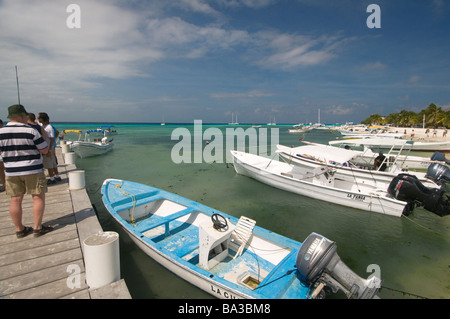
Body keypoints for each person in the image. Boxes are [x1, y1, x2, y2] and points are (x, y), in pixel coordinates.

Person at [0, 104, 52, 238]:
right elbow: (44, 150)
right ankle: (37, 228)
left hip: (11, 171)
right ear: (22, 116)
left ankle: (20, 229)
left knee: (15, 200)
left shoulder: (1, 132)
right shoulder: (31, 131)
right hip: (33, 169)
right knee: (38, 197)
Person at [37, 112, 61, 184]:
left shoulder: (49, 127)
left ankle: (52, 178)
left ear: (42, 119)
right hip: (50, 147)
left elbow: (52, 139)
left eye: (38, 118)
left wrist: (49, 149)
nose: (38, 119)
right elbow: (56, 133)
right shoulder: (44, 126)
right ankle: (56, 176)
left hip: (49, 148)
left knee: (49, 163)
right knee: (53, 162)